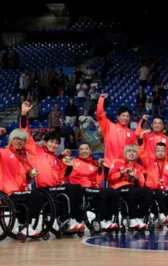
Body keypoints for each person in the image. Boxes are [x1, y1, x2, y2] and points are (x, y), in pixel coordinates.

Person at [20, 101, 84, 231]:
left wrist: (68, 165)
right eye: (51, 142)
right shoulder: (36, 150)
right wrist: (24, 114)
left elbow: (62, 176)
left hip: (55, 189)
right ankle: (66, 221)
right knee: (71, 190)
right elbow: (25, 134)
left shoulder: (56, 158)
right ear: (45, 141)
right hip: (43, 189)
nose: (54, 145)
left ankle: (75, 219)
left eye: (56, 143)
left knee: (77, 188)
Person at [0, 129, 44, 236]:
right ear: (10, 140)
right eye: (16, 138)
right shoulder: (3, 153)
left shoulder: (24, 158)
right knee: (35, 195)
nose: (19, 141)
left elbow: (25, 178)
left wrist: (29, 176)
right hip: (7, 193)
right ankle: (24, 225)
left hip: (20, 191)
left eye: (22, 140)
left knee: (39, 195)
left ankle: (24, 224)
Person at [65, 142, 118, 230]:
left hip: (91, 189)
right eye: (81, 149)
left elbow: (99, 181)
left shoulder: (94, 164)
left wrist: (100, 168)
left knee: (112, 192)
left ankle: (105, 220)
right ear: (78, 151)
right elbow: (65, 175)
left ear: (90, 151)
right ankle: (98, 221)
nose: (84, 151)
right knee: (104, 192)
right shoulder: (73, 162)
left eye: (86, 149)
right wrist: (68, 166)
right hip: (78, 189)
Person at [107, 145, 152, 230]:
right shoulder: (117, 162)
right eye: (129, 151)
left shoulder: (139, 167)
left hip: (132, 189)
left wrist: (135, 178)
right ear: (124, 153)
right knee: (132, 190)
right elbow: (109, 178)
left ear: (137, 155)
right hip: (118, 188)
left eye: (134, 151)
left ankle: (139, 217)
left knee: (148, 193)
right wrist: (122, 173)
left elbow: (141, 183)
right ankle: (131, 218)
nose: (131, 153)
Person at [97, 93, 137, 183]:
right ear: (118, 117)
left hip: (125, 167)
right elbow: (100, 116)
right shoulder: (109, 127)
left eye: (127, 116)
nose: (125, 118)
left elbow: (135, 151)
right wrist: (101, 100)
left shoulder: (131, 133)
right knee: (109, 193)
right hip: (109, 165)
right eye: (123, 115)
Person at [139, 142, 168, 227]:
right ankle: (160, 214)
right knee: (159, 193)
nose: (160, 152)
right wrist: (141, 139)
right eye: (158, 150)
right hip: (153, 189)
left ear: (166, 153)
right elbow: (141, 152)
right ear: (154, 152)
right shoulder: (148, 163)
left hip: (166, 189)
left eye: (162, 151)